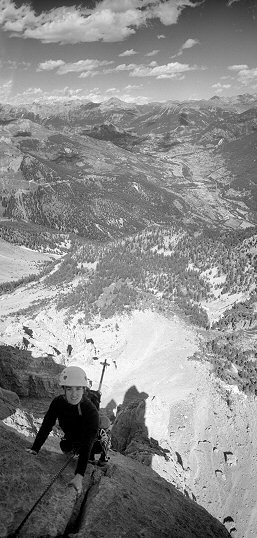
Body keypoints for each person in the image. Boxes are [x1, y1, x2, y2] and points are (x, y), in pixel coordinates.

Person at [26, 366, 99, 495]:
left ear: (84, 389)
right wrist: (35, 449)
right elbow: (46, 426)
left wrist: (79, 475)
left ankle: (93, 456)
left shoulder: (90, 411)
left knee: (90, 451)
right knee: (64, 446)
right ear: (64, 389)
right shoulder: (58, 403)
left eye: (78, 388)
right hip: (71, 437)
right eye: (69, 388)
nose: (74, 394)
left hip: (89, 440)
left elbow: (88, 442)